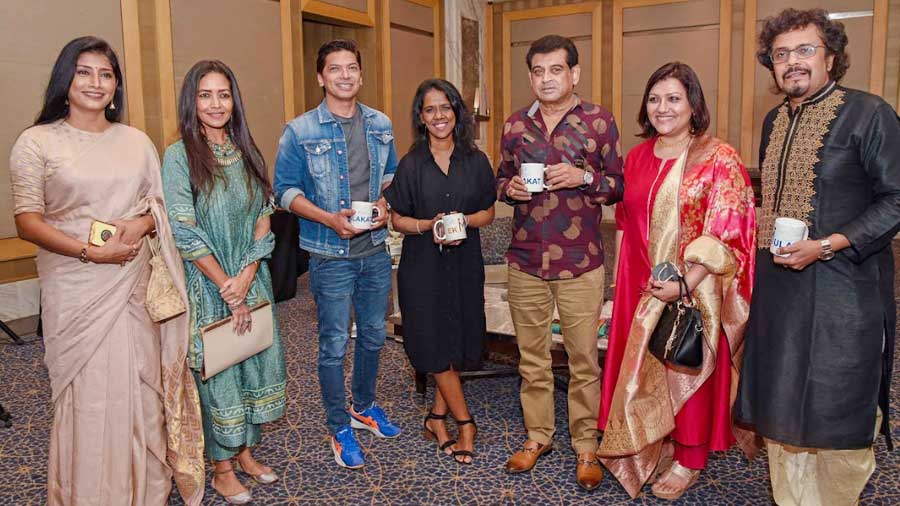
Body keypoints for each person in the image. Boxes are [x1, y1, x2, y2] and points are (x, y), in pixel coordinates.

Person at [8, 36, 204, 505]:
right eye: (84, 72)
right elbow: (26, 220)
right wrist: (86, 252)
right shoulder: (36, 142)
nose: (96, 82)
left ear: (116, 86)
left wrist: (139, 224)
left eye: (106, 74)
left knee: (138, 388)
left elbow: (156, 208)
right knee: (89, 397)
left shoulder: (135, 142)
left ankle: (143, 491)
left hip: (132, 284)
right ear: (65, 81)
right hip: (76, 287)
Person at [734, 9, 900, 505]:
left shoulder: (870, 114)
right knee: (782, 408)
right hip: (781, 292)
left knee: (837, 408)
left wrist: (829, 244)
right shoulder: (774, 121)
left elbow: (896, 198)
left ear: (830, 56)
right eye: (781, 54)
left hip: (842, 295)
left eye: (805, 50)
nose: (792, 63)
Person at [596, 62, 757, 501]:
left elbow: (729, 227)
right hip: (639, 281)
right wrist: (620, 286)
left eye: (673, 99)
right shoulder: (637, 156)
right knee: (646, 361)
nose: (662, 108)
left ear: (693, 105)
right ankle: (656, 439)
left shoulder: (717, 157)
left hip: (693, 288)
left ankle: (690, 456)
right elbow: (626, 222)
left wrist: (685, 283)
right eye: (654, 99)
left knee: (682, 364)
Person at [496, 34, 623, 490]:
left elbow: (617, 186)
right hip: (525, 258)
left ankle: (586, 444)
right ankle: (537, 436)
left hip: (581, 261)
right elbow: (502, 179)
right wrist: (508, 189)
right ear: (530, 75)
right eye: (538, 71)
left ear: (575, 73)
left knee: (584, 360)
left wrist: (583, 176)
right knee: (532, 359)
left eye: (556, 70)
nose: (546, 79)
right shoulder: (514, 125)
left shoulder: (598, 122)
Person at [162, 60, 286, 504]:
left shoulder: (246, 148)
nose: (216, 104)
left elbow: (263, 214)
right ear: (191, 102)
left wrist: (247, 274)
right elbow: (184, 229)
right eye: (205, 95)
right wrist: (224, 283)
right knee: (219, 372)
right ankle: (221, 468)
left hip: (250, 276)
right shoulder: (179, 156)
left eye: (223, 94)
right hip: (207, 282)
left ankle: (246, 451)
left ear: (235, 101)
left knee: (251, 360)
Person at [273, 39, 401, 469]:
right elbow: (284, 191)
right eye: (335, 69)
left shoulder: (381, 123)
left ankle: (363, 405)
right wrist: (329, 219)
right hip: (329, 254)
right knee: (331, 346)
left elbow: (391, 176)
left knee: (374, 335)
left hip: (375, 251)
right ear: (320, 77)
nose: (344, 75)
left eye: (351, 68)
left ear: (361, 75)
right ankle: (337, 426)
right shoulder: (301, 130)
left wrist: (385, 207)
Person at [383, 79, 495, 464]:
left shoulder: (476, 161)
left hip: (465, 265)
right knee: (432, 342)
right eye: (430, 109)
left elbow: (489, 212)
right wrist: (427, 225)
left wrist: (464, 219)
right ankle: (466, 422)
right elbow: (396, 219)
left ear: (456, 112)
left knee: (455, 337)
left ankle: (435, 417)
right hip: (423, 267)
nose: (439, 116)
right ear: (420, 116)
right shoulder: (411, 164)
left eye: (445, 107)